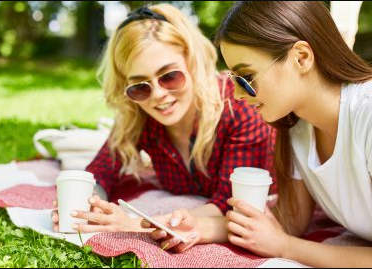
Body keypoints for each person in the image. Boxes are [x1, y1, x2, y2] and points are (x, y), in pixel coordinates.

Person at [143, 1, 372, 267]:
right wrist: (202, 227)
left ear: (301, 57)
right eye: (234, 81)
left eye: (246, 78)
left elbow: (284, 238)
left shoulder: (366, 113)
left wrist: (287, 248)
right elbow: (289, 220)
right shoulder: (298, 124)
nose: (239, 95)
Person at [51, 3, 273, 235]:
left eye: (169, 76)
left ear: (192, 61)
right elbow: (100, 172)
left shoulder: (238, 106)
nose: (157, 95)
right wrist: (89, 205)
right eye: (139, 87)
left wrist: (135, 224)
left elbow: (231, 206)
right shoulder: (139, 114)